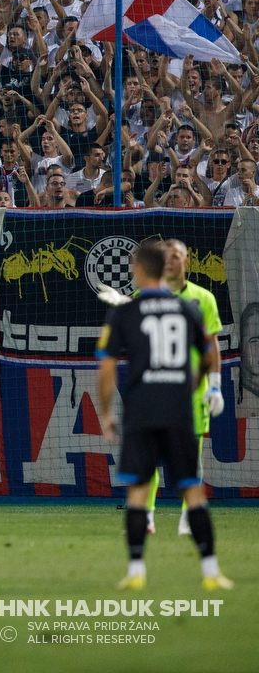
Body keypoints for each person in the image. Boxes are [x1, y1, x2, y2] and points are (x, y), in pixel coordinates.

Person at [96, 240, 231, 591]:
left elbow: (107, 368)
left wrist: (106, 412)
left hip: (141, 411)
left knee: (138, 492)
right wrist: (198, 386)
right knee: (193, 490)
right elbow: (207, 354)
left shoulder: (126, 312)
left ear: (140, 269)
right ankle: (212, 571)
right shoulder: (188, 309)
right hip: (178, 411)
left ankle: (137, 571)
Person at [133, 239, 225, 537]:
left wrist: (215, 386)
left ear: (187, 261)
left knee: (189, 459)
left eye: (175, 256)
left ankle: (188, 516)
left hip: (191, 393)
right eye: (164, 257)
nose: (169, 261)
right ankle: (146, 517)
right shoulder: (141, 296)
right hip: (153, 391)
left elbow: (211, 346)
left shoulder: (203, 298)